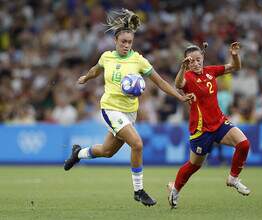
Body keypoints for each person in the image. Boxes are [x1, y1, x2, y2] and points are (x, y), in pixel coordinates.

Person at [63, 9, 193, 207]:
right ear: (116, 40)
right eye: (123, 41)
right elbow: (95, 70)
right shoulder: (107, 57)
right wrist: (86, 78)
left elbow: (160, 82)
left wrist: (180, 96)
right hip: (110, 108)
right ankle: (138, 190)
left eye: (129, 42)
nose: (126, 45)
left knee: (107, 152)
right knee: (137, 144)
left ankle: (78, 153)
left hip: (129, 112)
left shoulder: (138, 60)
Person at [167, 42, 251, 209]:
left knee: (244, 144)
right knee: (194, 166)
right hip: (201, 129)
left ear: (203, 58)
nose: (196, 64)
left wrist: (234, 54)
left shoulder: (211, 71)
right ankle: (175, 189)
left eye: (198, 60)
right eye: (192, 61)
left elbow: (236, 67)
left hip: (219, 123)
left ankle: (233, 178)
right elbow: (177, 84)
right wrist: (183, 68)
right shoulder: (188, 77)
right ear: (187, 63)